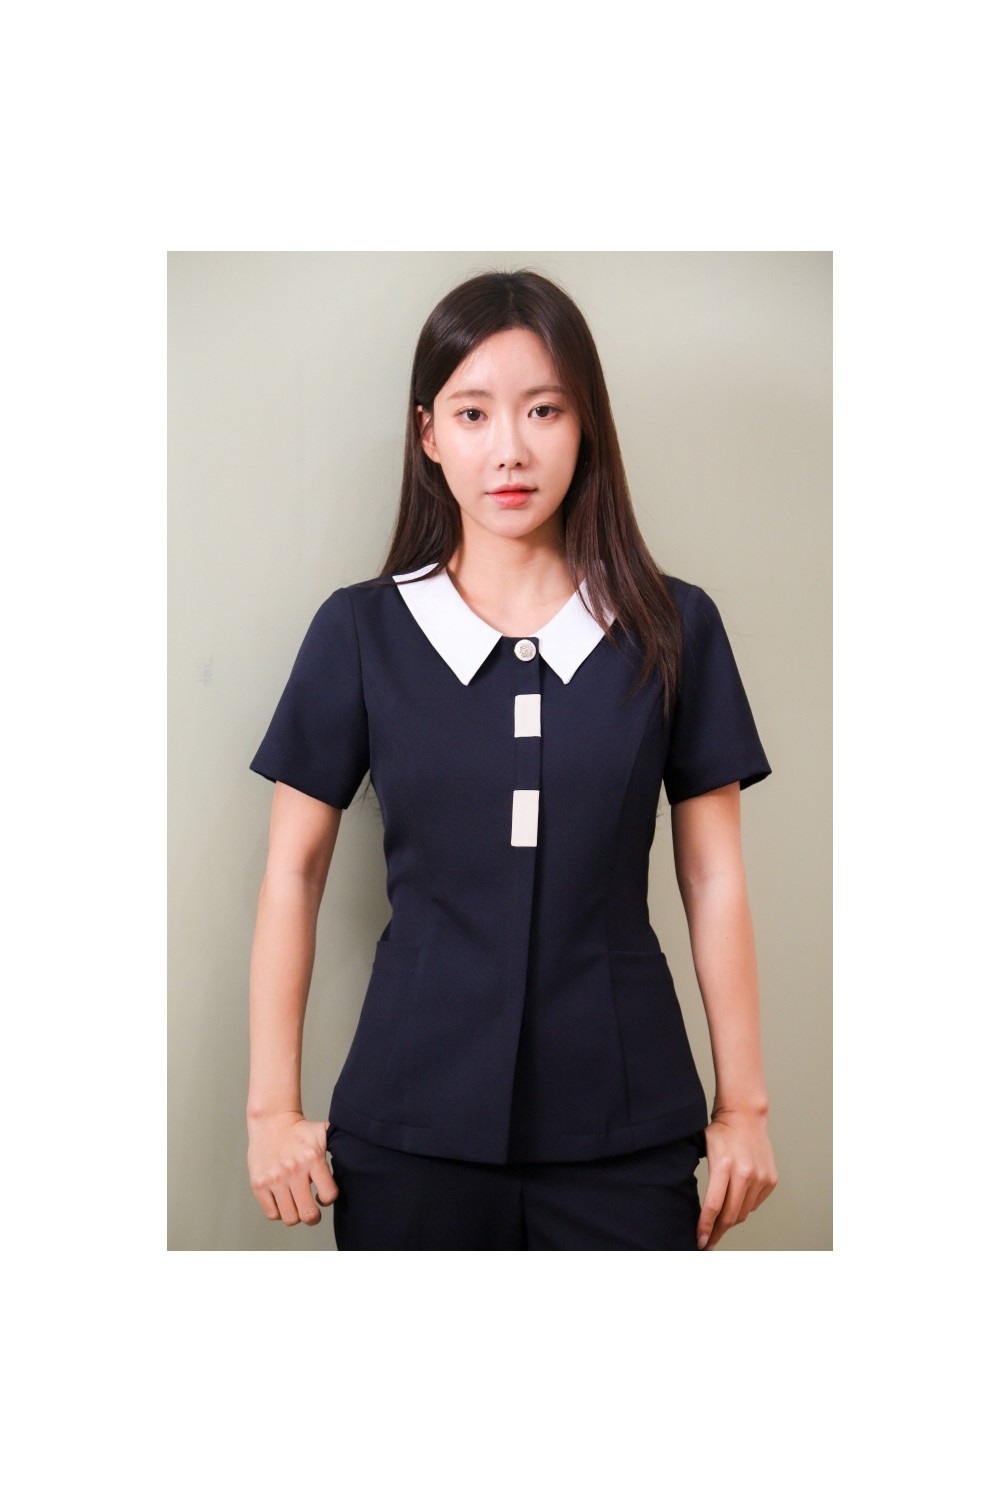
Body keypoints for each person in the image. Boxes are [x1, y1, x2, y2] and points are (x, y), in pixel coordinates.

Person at [246, 269, 778, 1251]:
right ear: (427, 433)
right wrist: (269, 1111)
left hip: (629, 1128)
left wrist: (744, 1108)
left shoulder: (674, 627)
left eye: (543, 409)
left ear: (586, 425)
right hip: (407, 1131)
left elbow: (712, 875)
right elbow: (293, 871)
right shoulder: (361, 631)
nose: (510, 449)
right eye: (472, 412)